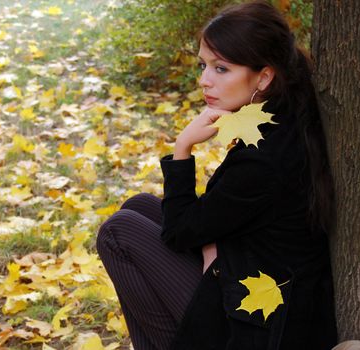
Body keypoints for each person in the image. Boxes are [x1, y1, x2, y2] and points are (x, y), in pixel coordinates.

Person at [96, 1, 338, 349]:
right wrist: (212, 243)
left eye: (221, 68)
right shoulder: (286, 113)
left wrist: (182, 148)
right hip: (256, 266)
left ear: (264, 76)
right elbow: (221, 215)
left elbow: (181, 231)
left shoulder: (263, 161)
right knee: (142, 206)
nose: (204, 80)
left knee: (117, 234)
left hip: (259, 324)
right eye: (203, 65)